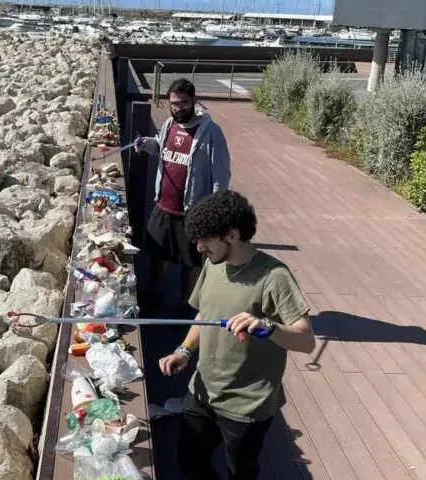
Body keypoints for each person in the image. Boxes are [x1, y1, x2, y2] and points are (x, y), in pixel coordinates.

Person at [158, 189, 316, 480]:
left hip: (247, 407)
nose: (198, 247)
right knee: (190, 463)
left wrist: (268, 327)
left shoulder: (274, 276)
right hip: (203, 391)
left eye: (204, 239)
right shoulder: (213, 265)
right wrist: (184, 350)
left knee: (240, 474)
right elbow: (205, 314)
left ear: (231, 235)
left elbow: (306, 341)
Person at [134, 78, 231, 317]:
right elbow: (162, 147)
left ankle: (186, 303)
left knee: (192, 263)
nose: (179, 108)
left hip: (192, 211)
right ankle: (153, 293)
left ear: (193, 102)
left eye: (184, 103)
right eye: (174, 104)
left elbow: (221, 173)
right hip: (164, 205)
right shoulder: (169, 124)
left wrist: (215, 211)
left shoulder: (211, 132)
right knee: (157, 255)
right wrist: (146, 144)